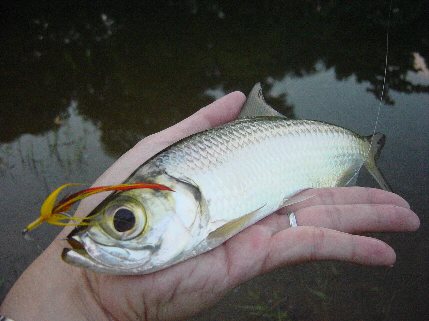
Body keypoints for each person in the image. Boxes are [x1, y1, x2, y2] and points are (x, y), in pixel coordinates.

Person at [0, 92, 420, 321]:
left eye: (124, 221)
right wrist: (85, 305)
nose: (117, 229)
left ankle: (364, 150)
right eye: (124, 221)